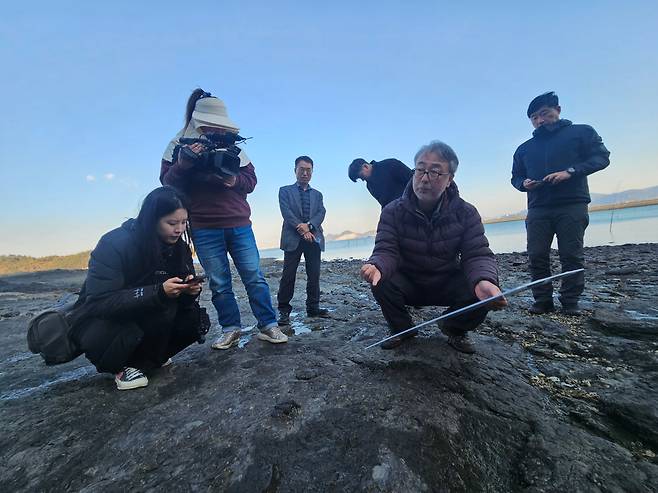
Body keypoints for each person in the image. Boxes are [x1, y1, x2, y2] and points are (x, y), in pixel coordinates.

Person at [160, 89, 288, 349]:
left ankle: (268, 325)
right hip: (204, 226)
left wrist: (233, 180)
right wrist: (185, 162)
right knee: (219, 283)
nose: (213, 131)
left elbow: (251, 181)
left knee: (254, 276)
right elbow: (167, 184)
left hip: (239, 223)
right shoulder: (179, 146)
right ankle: (231, 328)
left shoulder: (232, 145)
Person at [360, 141, 507, 352]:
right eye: (420, 170)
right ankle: (402, 329)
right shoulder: (392, 211)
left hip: (446, 281)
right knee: (379, 278)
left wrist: (485, 280)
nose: (424, 178)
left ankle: (454, 328)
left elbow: (476, 254)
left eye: (435, 172)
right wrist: (377, 265)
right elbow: (387, 249)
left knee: (484, 285)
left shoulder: (466, 213)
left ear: (450, 179)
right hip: (409, 282)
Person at [71, 187, 208, 390]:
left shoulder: (178, 247)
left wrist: (189, 291)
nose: (179, 230)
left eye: (183, 222)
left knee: (194, 321)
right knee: (162, 307)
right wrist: (157, 292)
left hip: (148, 316)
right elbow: (98, 303)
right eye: (171, 223)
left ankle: (150, 359)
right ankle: (123, 366)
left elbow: (179, 297)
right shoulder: (114, 243)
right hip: (104, 326)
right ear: (151, 219)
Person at [511, 91, 610, 315]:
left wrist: (570, 172)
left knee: (571, 255)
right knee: (536, 255)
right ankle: (542, 301)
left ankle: (570, 302)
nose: (540, 120)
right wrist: (523, 183)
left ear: (558, 110)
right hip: (538, 208)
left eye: (544, 114)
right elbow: (515, 177)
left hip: (571, 205)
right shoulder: (524, 149)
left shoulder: (581, 132)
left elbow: (601, 157)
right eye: (535, 117)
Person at [276, 155, 329, 325]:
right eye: (302, 169)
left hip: (314, 237)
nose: (305, 173)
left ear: (312, 172)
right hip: (292, 238)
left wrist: (310, 226)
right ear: (295, 171)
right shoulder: (284, 190)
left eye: (308, 170)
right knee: (288, 276)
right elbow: (287, 213)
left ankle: (313, 308)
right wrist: (302, 228)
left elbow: (321, 213)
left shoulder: (318, 195)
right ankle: (284, 311)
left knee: (314, 275)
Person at [348, 157, 413, 208]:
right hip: (398, 216)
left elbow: (413, 180)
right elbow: (384, 204)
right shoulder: (369, 186)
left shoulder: (391, 164)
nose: (362, 180)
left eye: (361, 176)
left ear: (366, 166)